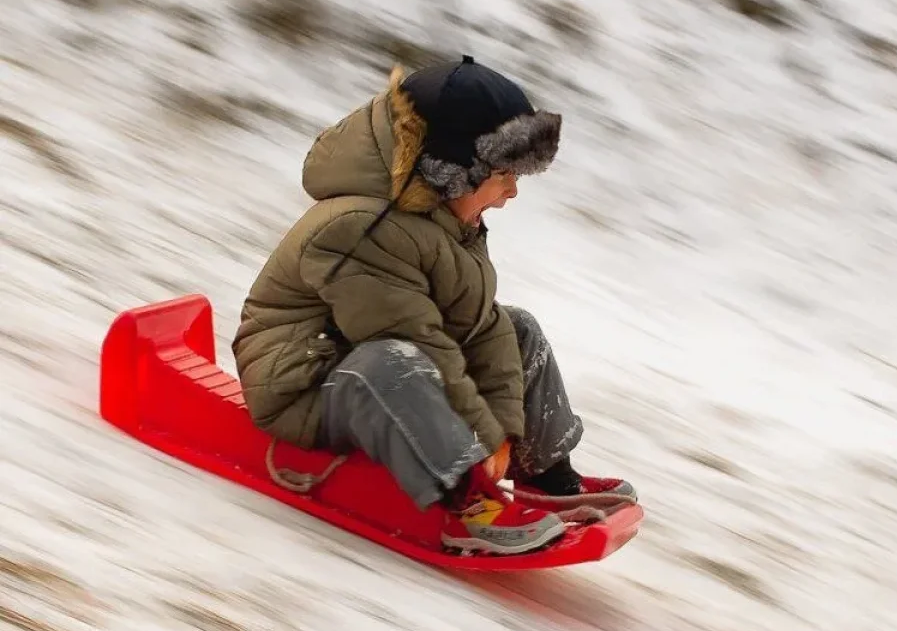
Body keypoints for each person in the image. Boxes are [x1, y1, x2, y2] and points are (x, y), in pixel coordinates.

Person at [231, 56, 636, 555]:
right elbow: (412, 337)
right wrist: (485, 439)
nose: (512, 191)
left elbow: (481, 327)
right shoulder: (360, 227)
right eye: (505, 174)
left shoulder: (450, 219)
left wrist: (504, 433)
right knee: (389, 362)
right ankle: (471, 509)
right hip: (307, 385)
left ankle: (549, 480)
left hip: (380, 363)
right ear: (454, 171)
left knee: (517, 328)